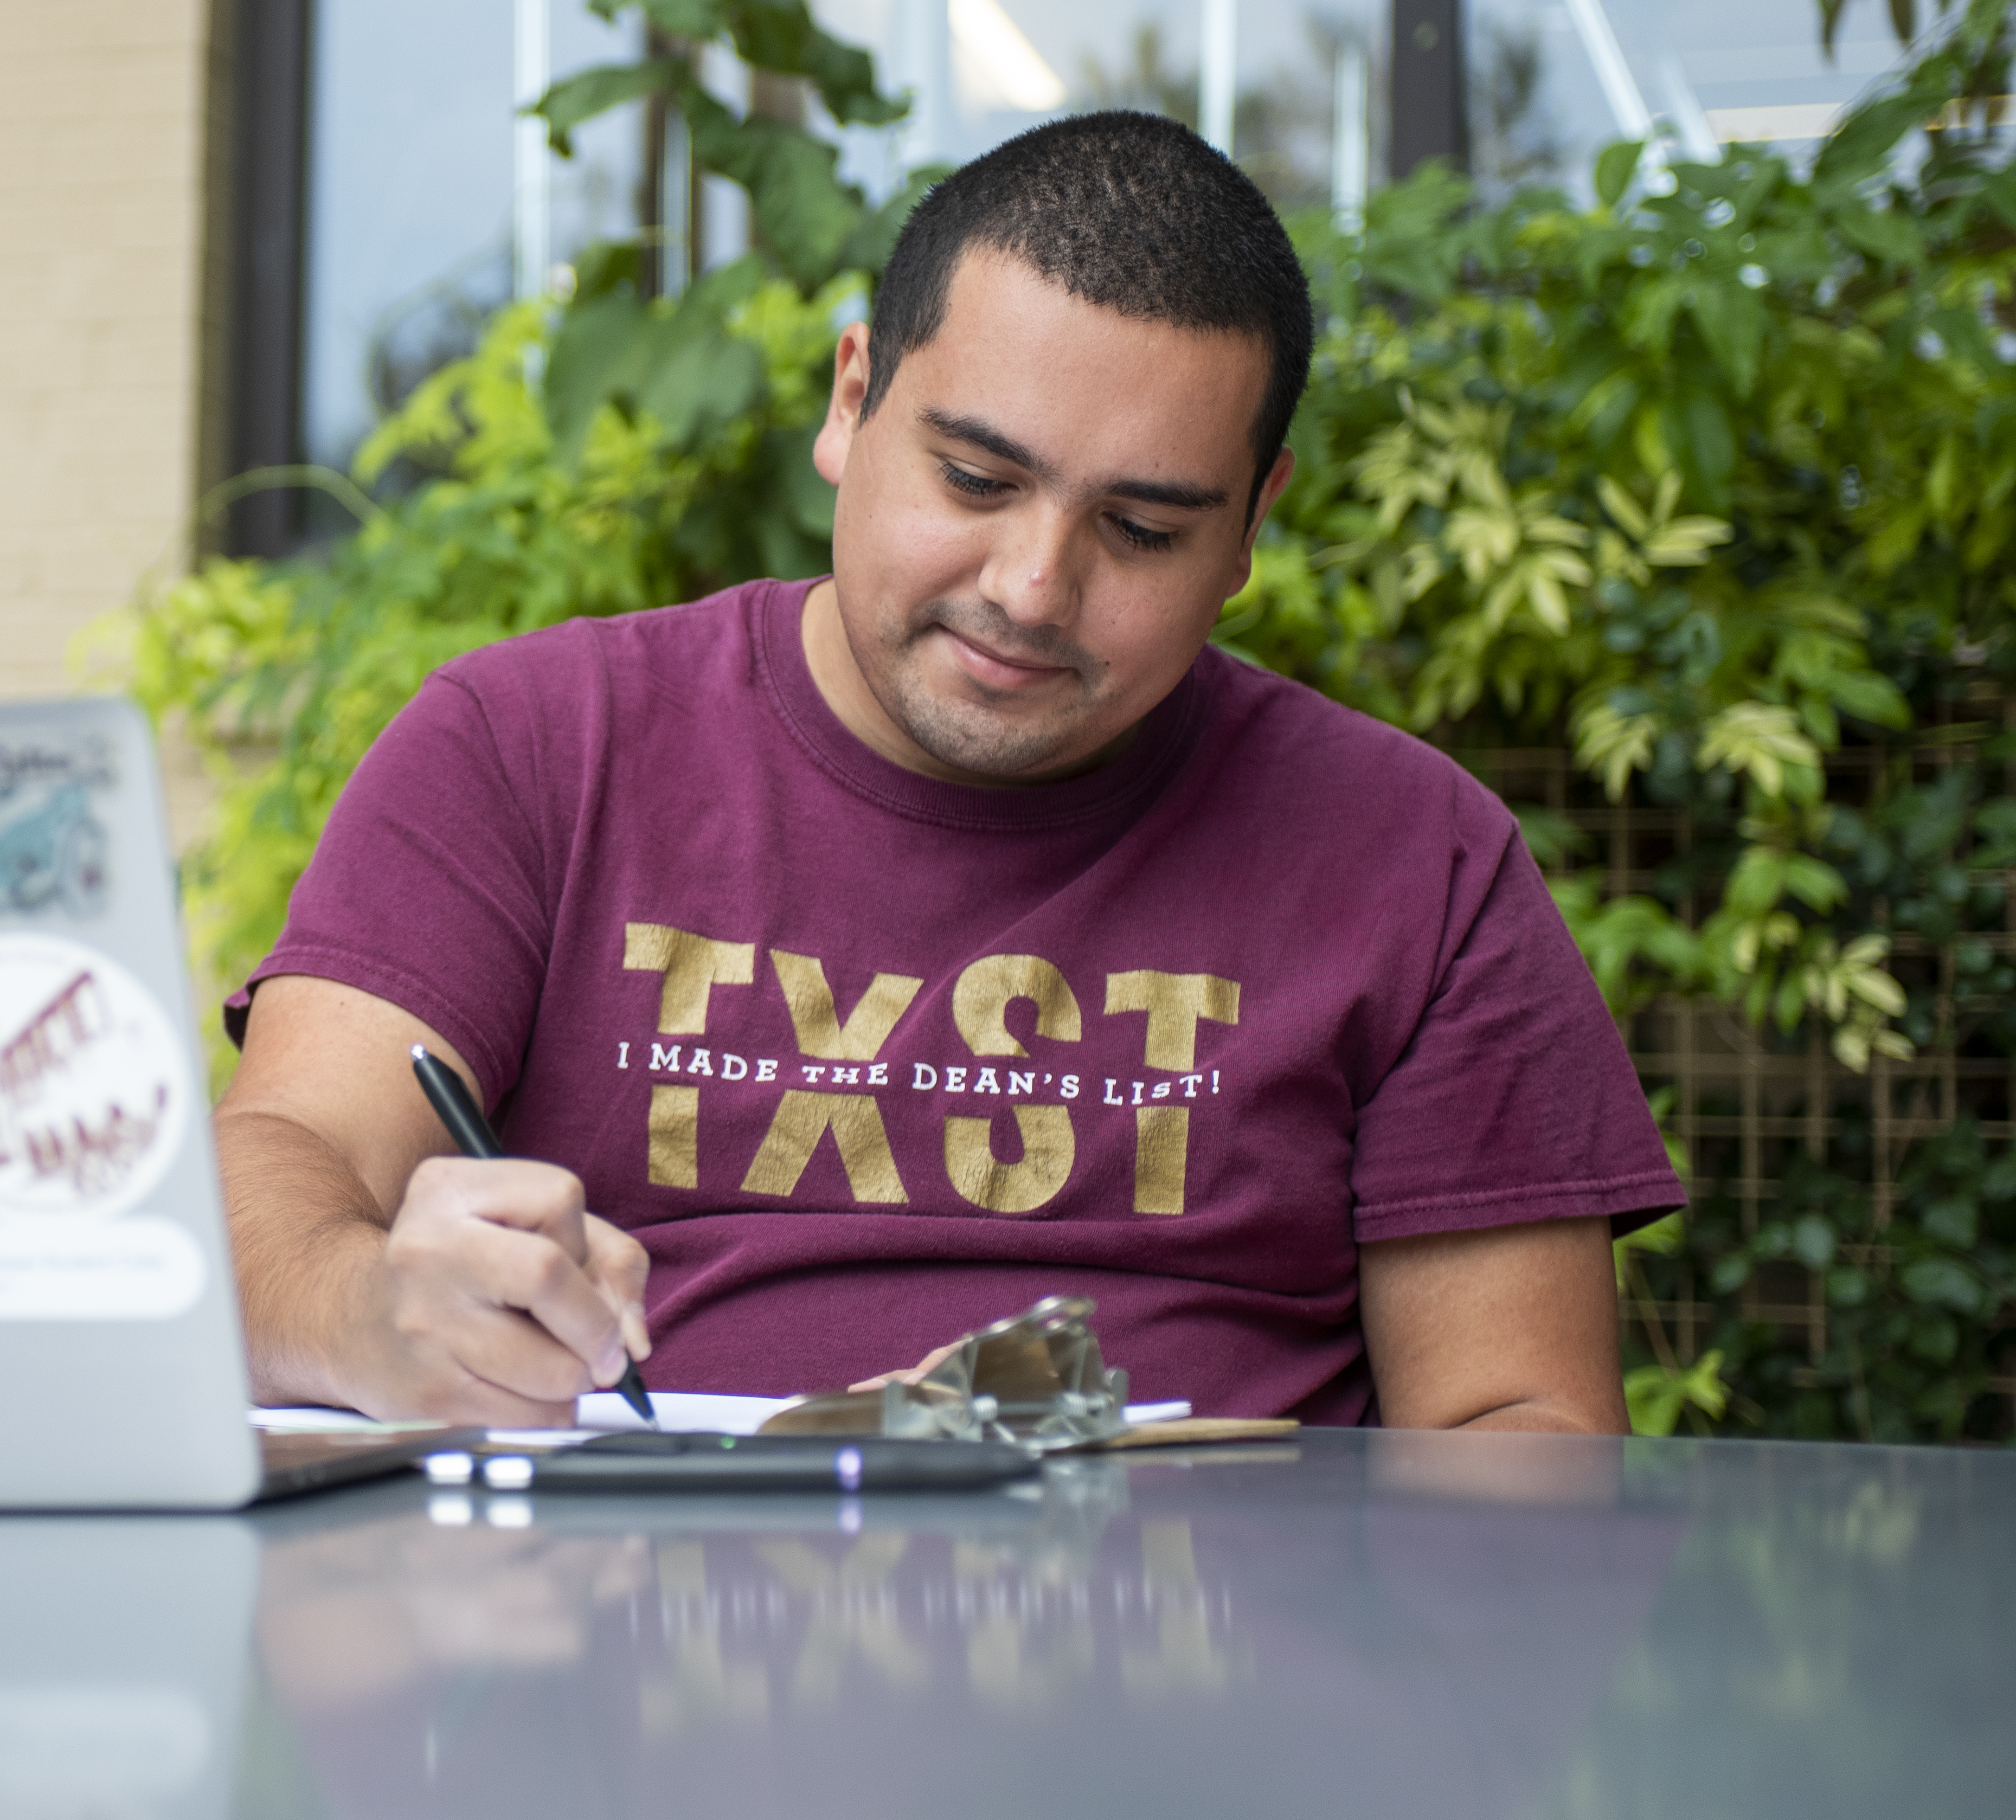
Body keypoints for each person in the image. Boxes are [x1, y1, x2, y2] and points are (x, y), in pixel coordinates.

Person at [216, 111, 1680, 1432]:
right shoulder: (535, 746)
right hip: (624, 1664)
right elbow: (271, 1170)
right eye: (977, 482)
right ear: (853, 400)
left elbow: (1523, 1442)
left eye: (1148, 532)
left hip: (1211, 1693)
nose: (1036, 588)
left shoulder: (1412, 859)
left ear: (1252, 527)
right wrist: (368, 1316)